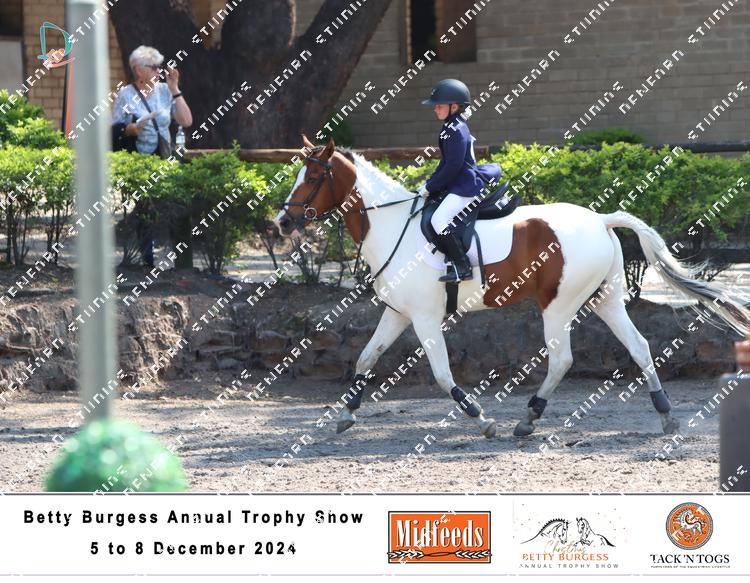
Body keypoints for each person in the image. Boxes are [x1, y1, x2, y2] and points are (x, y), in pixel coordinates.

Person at [111, 45, 193, 266]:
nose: (159, 71)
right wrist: (130, 129)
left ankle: (180, 260)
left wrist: (175, 89)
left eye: (159, 67)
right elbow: (114, 128)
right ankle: (147, 259)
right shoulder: (126, 94)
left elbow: (186, 121)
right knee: (145, 207)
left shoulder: (166, 91)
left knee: (173, 204)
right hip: (139, 159)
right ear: (139, 70)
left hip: (164, 155)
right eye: (154, 67)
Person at [418, 79, 502, 282]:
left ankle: (462, 267)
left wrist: (431, 186)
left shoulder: (455, 129)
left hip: (466, 186)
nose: (435, 108)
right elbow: (445, 162)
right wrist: (430, 183)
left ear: (454, 107)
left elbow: (453, 166)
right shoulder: (451, 126)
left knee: (439, 220)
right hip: (459, 183)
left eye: (439, 105)